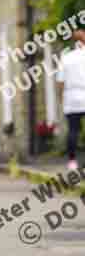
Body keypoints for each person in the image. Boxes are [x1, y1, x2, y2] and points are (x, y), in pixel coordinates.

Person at [57, 28, 85, 170]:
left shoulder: (66, 57)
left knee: (73, 129)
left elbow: (61, 81)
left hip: (71, 97)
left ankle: (72, 161)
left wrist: (61, 97)